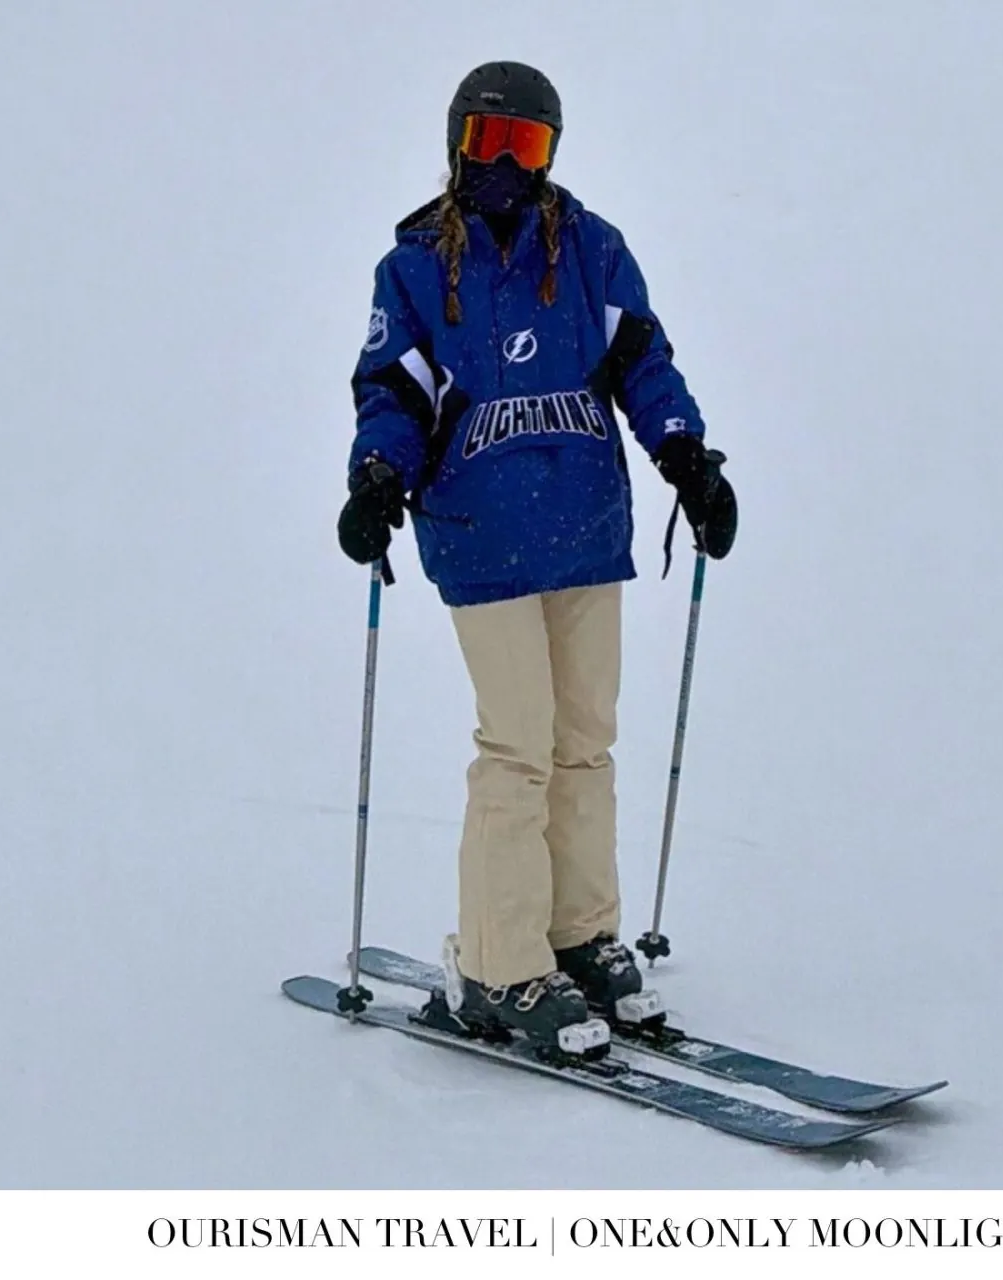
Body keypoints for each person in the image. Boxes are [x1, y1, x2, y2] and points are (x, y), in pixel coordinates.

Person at [336, 61, 738, 1053]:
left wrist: (683, 452)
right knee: (517, 746)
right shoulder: (419, 266)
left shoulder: (593, 250)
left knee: (585, 741)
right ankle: (499, 961)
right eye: (489, 144)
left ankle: (581, 932)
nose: (507, 167)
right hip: (479, 533)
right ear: (455, 145)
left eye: (527, 147)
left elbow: (642, 358)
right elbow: (391, 387)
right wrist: (377, 476)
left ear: (552, 152)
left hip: (584, 523)